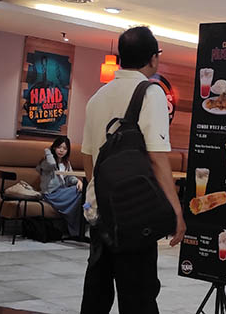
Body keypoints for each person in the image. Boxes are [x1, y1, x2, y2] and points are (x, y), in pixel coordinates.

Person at [80, 26, 186, 314]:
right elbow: (157, 158)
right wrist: (176, 211)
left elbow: (88, 156)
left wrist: (99, 200)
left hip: (103, 213)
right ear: (153, 59)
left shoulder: (97, 97)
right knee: (138, 294)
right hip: (136, 213)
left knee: (97, 292)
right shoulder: (151, 93)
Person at [37, 135, 83, 236]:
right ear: (54, 147)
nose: (61, 150)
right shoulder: (47, 161)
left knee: (81, 192)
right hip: (50, 194)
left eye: (65, 148)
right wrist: (49, 152)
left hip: (62, 192)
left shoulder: (66, 163)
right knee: (79, 194)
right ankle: (75, 229)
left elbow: (70, 177)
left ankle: (76, 229)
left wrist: (79, 182)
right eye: (59, 147)